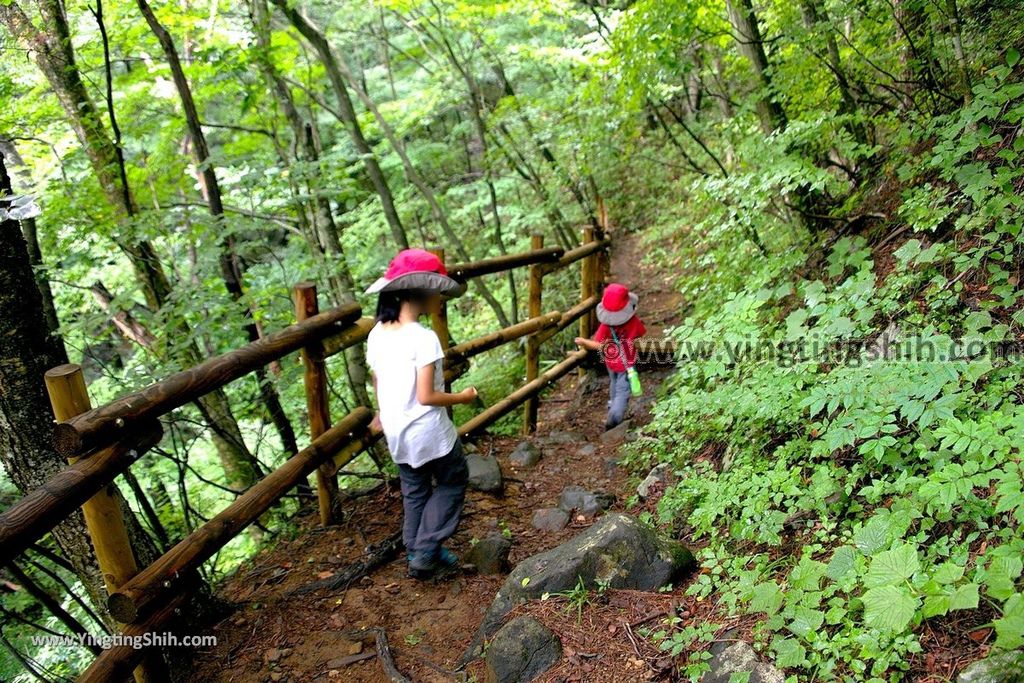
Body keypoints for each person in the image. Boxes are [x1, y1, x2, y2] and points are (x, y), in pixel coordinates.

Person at [365, 249, 478, 579]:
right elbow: (427, 396)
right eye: (437, 292)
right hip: (430, 433)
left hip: (397, 431)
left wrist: (381, 412)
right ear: (421, 292)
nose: (439, 298)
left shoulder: (376, 334)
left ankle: (416, 552)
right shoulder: (423, 338)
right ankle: (427, 548)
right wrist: (464, 396)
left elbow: (378, 379)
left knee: (415, 491)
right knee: (453, 481)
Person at [574, 283, 646, 430]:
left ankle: (612, 405)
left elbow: (598, 343)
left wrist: (584, 342)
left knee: (613, 382)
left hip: (610, 361)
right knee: (623, 390)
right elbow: (641, 333)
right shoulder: (633, 322)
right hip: (627, 363)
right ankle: (615, 417)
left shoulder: (606, 326)